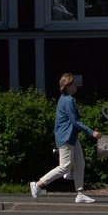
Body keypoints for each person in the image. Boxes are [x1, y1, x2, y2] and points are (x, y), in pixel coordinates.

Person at [31, 73, 95, 203]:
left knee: (80, 163)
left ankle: (80, 193)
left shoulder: (65, 98)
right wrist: (91, 132)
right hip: (66, 137)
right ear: (68, 86)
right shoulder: (68, 101)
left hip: (71, 137)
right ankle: (38, 185)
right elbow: (75, 121)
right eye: (74, 84)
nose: (76, 86)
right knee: (64, 167)